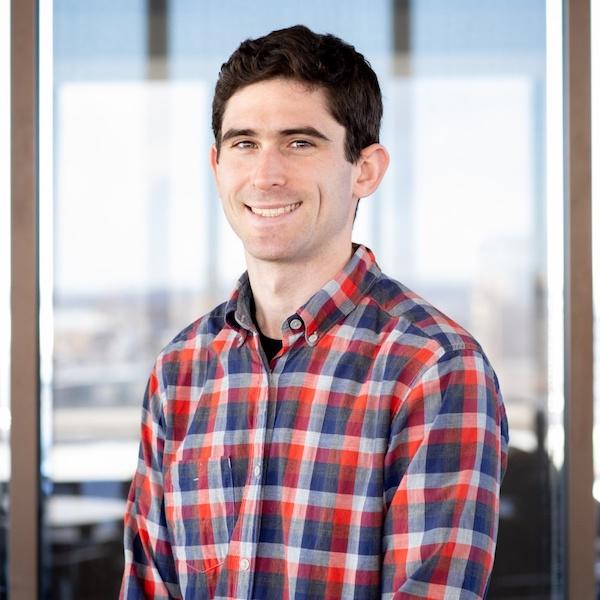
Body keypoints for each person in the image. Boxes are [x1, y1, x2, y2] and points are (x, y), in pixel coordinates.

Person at [121, 24, 509, 600]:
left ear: (366, 170)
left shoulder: (435, 370)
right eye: (244, 143)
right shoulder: (181, 370)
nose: (266, 174)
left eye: (300, 142)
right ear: (217, 164)